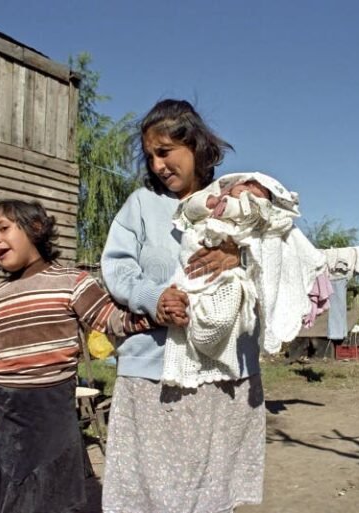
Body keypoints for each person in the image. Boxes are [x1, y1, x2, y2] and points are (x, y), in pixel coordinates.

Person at [100, 99, 264, 512]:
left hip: (223, 373)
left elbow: (281, 262)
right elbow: (116, 269)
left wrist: (240, 258)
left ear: (196, 146)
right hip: (152, 374)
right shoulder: (140, 205)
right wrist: (154, 299)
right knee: (150, 491)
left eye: (165, 152)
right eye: (150, 155)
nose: (157, 165)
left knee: (211, 490)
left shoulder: (237, 202)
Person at [0, 199, 161, 513]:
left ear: (36, 228)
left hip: (51, 410)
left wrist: (158, 313)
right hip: (0, 412)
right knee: (6, 499)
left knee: (49, 498)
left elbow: (111, 319)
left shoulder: (73, 283)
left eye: (3, 228)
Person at [163, 171, 330, 388]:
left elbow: (272, 244)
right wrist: (210, 203)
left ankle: (210, 343)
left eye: (259, 192)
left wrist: (242, 253)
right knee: (197, 302)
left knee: (222, 315)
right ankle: (195, 327)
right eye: (246, 185)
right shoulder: (213, 200)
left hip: (233, 276)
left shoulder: (259, 214)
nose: (249, 191)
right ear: (229, 186)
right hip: (198, 259)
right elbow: (190, 210)